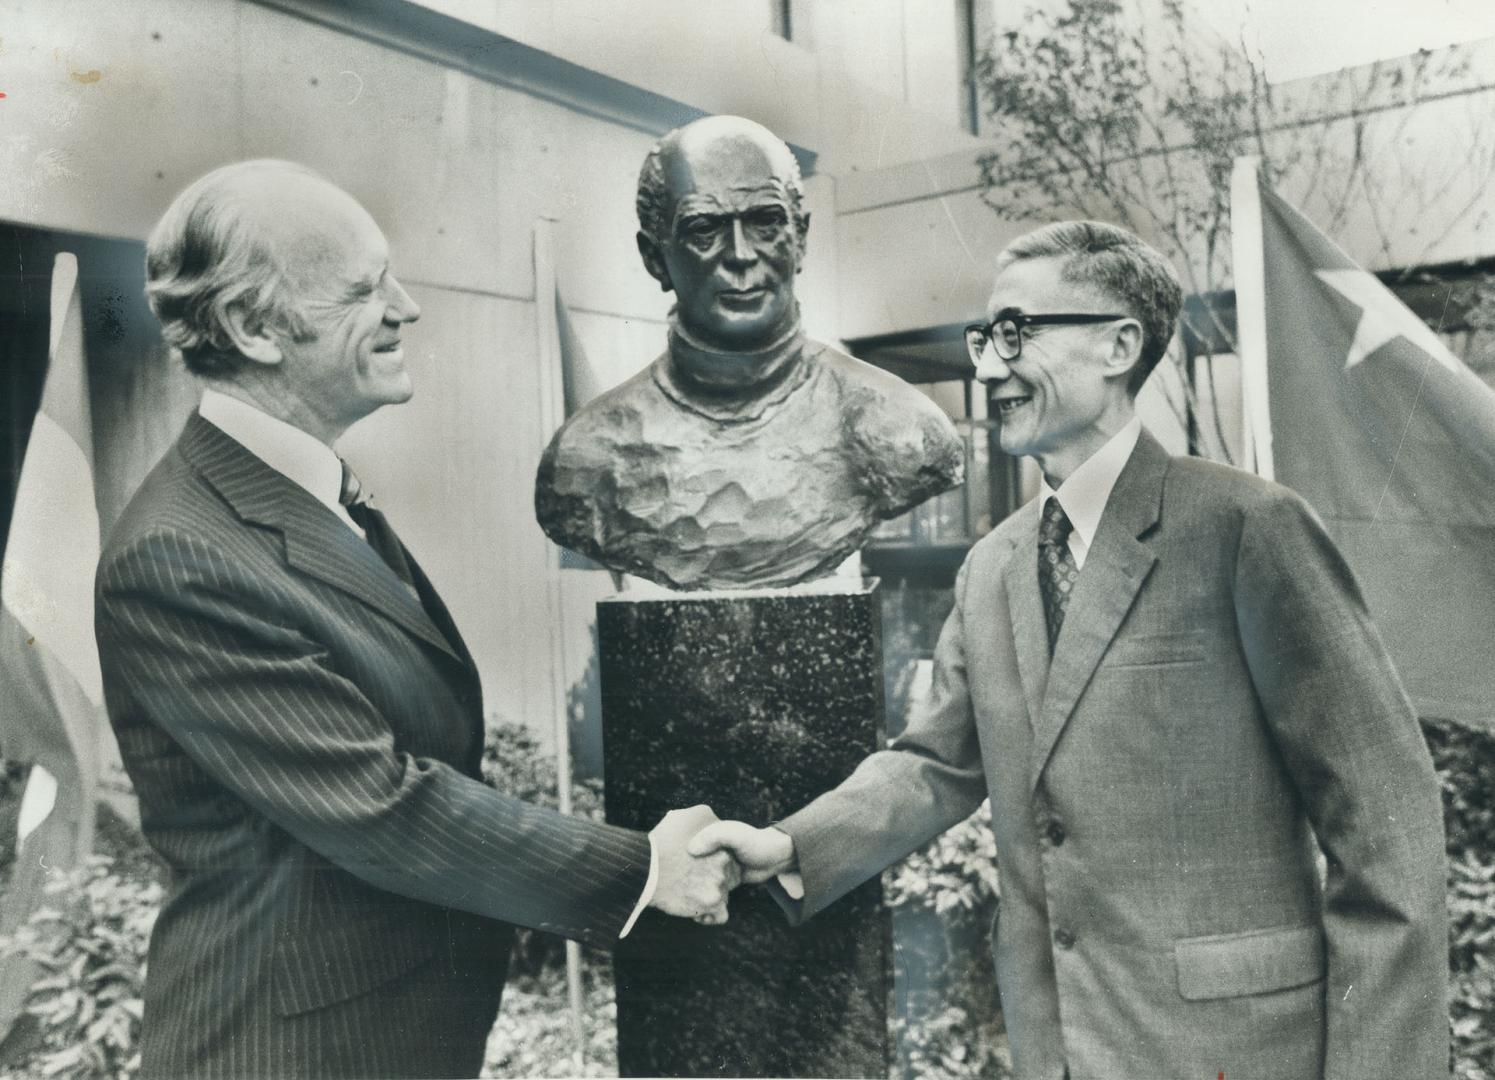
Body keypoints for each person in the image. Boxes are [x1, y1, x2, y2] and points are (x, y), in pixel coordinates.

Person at [692, 221, 1449, 1079]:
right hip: (1058, 1049)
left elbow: (1385, 821)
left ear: (1118, 345)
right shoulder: (991, 567)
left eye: (1016, 332)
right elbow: (934, 765)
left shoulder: (1247, 529)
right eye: (983, 338)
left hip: (1238, 1052)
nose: (987, 367)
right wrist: (793, 846)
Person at [95, 160, 737, 1079]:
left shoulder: (305, 495)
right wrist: (642, 871)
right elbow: (381, 805)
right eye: (364, 288)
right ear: (252, 328)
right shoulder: (180, 555)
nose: (406, 307)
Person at [534, 115, 962, 590]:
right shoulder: (588, 457)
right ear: (656, 258)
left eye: (765, 222)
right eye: (704, 229)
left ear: (800, 238)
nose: (740, 254)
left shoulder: (901, 428)